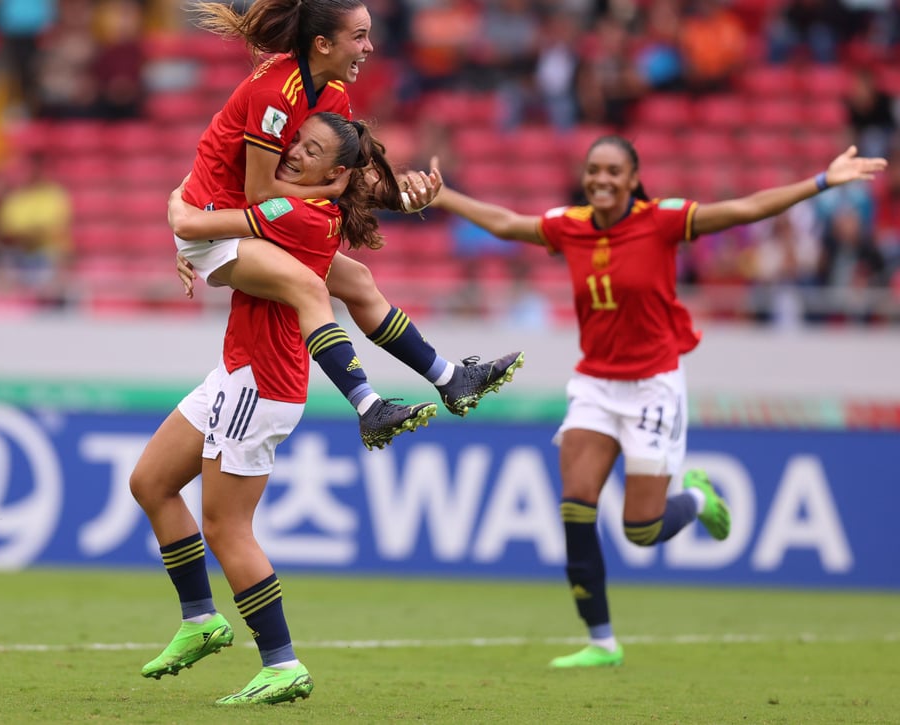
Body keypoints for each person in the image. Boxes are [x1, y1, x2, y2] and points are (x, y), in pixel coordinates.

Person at [430, 138, 887, 668]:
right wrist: (446, 198)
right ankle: (601, 641)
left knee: (641, 530)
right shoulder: (569, 224)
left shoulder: (662, 219)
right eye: (594, 170)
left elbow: (743, 209)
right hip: (595, 386)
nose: (601, 179)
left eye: (613, 171)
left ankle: (696, 501)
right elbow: (508, 223)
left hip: (653, 386)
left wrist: (822, 182)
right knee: (575, 506)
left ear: (632, 178)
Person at [133, 112, 396, 705]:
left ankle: (281, 664)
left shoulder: (295, 215)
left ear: (336, 173)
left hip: (261, 380)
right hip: (236, 370)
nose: (294, 153)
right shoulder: (292, 202)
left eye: (312, 150)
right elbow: (202, 212)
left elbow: (188, 210)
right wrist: (193, 239)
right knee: (150, 482)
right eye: (297, 142)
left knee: (227, 526)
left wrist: (188, 239)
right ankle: (201, 618)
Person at [178, 0, 524, 450]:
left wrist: (399, 194)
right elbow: (263, 191)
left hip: (251, 218)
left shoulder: (333, 92)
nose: (370, 46)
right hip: (219, 222)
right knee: (309, 288)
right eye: (359, 36)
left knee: (358, 281)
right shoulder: (275, 93)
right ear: (322, 44)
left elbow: (338, 176)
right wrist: (332, 193)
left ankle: (450, 378)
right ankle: (367, 406)